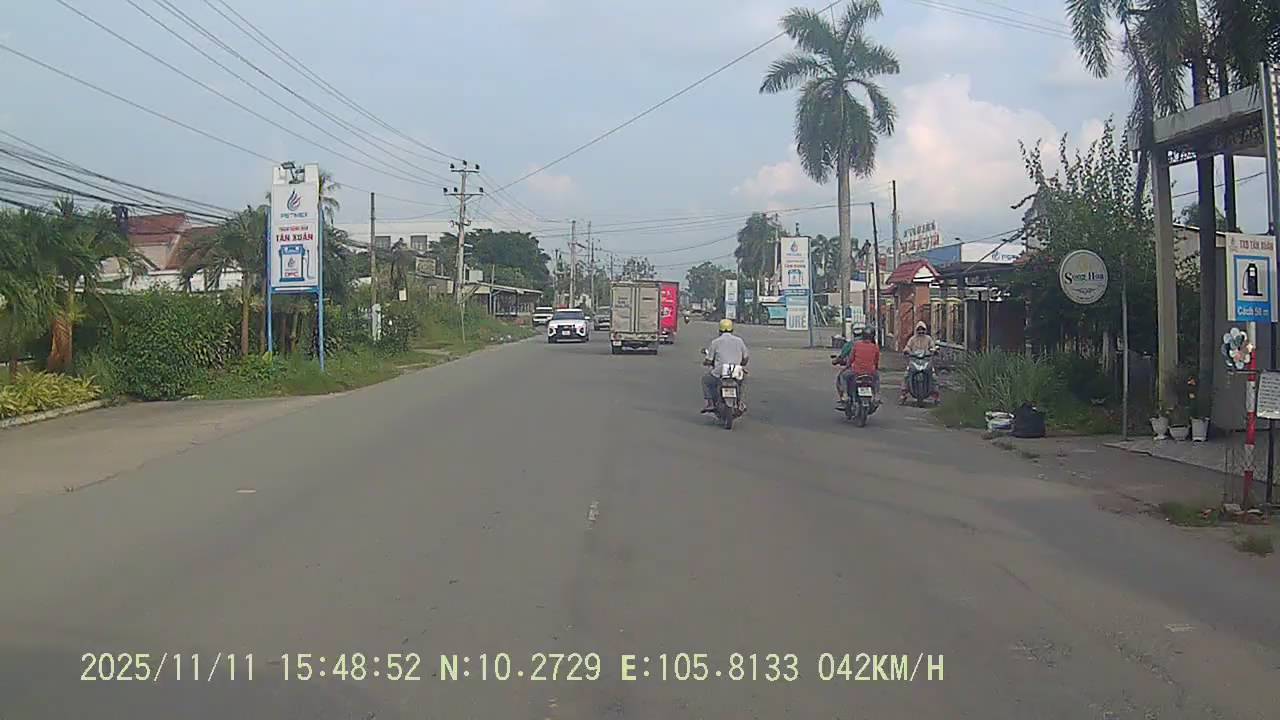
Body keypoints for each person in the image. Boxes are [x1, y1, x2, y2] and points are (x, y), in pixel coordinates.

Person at [701, 318, 749, 413]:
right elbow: (745, 357)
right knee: (741, 383)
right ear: (732, 329)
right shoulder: (739, 341)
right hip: (736, 371)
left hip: (720, 371)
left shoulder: (715, 342)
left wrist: (706, 362)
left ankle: (710, 403)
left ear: (720, 330)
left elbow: (709, 359)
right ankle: (740, 402)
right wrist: (742, 364)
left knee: (705, 380)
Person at [834, 325, 880, 408]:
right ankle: (876, 396)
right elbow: (876, 361)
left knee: (843, 376)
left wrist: (847, 367)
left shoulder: (856, 345)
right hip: (870, 372)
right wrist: (875, 369)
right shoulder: (875, 347)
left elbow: (851, 359)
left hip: (856, 371)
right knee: (876, 379)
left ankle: (845, 395)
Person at [901, 321, 939, 401]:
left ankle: (935, 395)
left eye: (923, 330)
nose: (921, 331)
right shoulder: (913, 339)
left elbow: (932, 346)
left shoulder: (928, 339)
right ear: (916, 330)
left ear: (925, 330)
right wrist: (907, 350)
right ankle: (904, 393)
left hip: (926, 360)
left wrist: (934, 350)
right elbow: (908, 346)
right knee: (906, 375)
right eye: (919, 330)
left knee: (934, 376)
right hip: (914, 360)